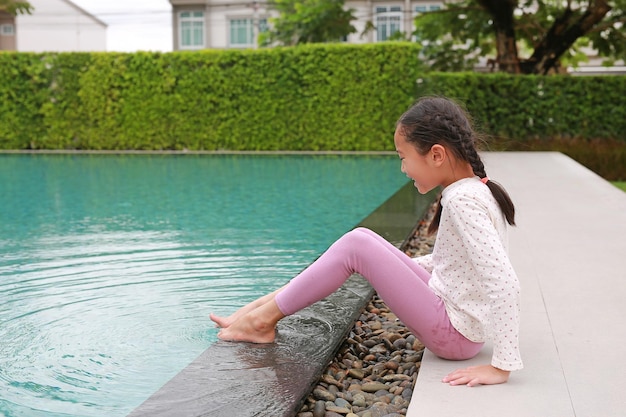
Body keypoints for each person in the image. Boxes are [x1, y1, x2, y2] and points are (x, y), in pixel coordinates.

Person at [210, 96, 523, 387]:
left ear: (437, 155)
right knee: (360, 246)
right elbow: (453, 262)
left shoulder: (462, 200)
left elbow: (505, 282)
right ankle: (254, 313)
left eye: (404, 158)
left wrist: (501, 367)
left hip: (454, 335)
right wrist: (391, 268)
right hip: (459, 326)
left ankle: (260, 321)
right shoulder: (472, 189)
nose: (402, 168)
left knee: (357, 244)